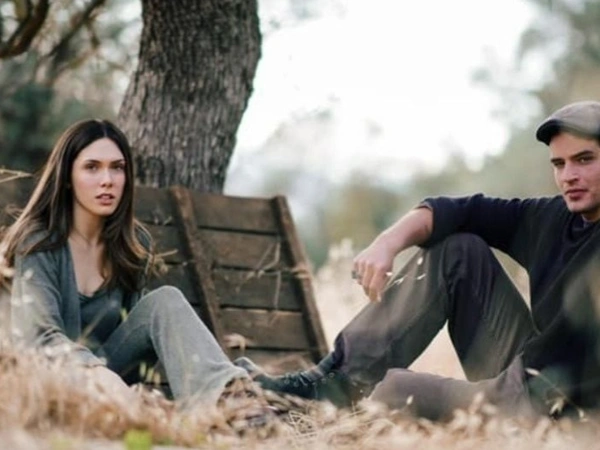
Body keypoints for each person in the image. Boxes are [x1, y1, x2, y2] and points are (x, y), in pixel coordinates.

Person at [235, 100, 600, 421]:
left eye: (584, 160)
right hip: (527, 376)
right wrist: (386, 244)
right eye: (559, 163)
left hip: (563, 413)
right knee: (458, 251)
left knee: (395, 392)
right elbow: (463, 211)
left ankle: (325, 411)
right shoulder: (552, 218)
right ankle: (327, 386)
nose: (569, 176)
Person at [2, 119, 262, 413]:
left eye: (117, 167)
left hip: (113, 384)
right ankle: (250, 391)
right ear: (66, 177)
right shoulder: (38, 242)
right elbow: (39, 338)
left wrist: (111, 379)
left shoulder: (132, 244)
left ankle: (232, 405)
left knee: (165, 300)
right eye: (92, 167)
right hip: (52, 385)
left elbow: (137, 339)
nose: (107, 180)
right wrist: (95, 372)